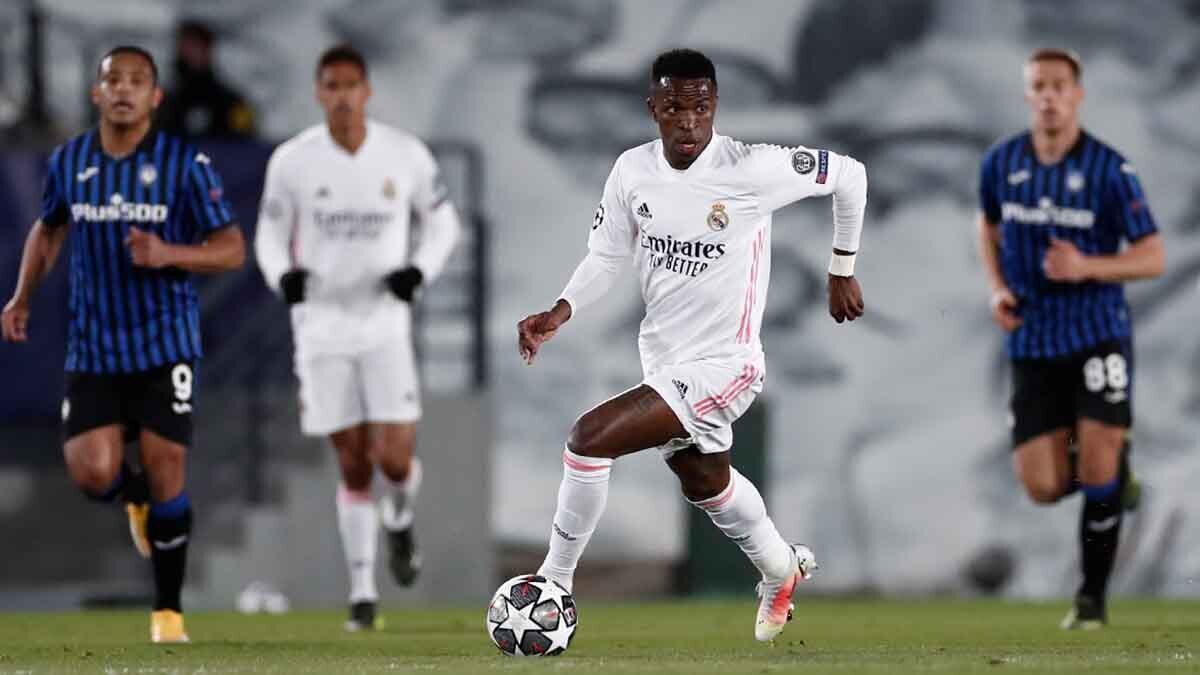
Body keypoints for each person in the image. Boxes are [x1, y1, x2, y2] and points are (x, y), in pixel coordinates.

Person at [516, 48, 867, 643]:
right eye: (675, 108)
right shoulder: (632, 171)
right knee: (705, 481)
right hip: (665, 360)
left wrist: (841, 268)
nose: (688, 121)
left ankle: (553, 584)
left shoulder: (753, 169)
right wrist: (561, 310)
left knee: (587, 439)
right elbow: (608, 255)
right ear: (654, 108)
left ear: (715, 107)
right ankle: (782, 570)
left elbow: (850, 175)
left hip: (726, 365)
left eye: (700, 107)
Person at [0, 46, 245, 642]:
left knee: (168, 472)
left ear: (155, 97)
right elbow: (49, 226)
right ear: (97, 92)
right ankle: (131, 497)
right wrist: (22, 295)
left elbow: (232, 247)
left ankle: (167, 612)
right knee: (91, 474)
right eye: (113, 79)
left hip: (166, 343)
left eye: (138, 81)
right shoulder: (71, 160)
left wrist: (170, 254)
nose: (124, 89)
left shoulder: (186, 165)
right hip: (95, 348)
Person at [254, 44, 461, 632]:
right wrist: (281, 276)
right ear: (319, 92)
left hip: (383, 325)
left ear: (367, 91)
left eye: (351, 85)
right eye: (331, 85)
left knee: (393, 457)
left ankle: (400, 520)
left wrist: (418, 270)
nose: (342, 96)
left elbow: (443, 222)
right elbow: (270, 233)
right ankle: (364, 595)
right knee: (350, 463)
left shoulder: (405, 154)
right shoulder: (293, 161)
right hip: (319, 328)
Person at [977, 48, 1165, 629]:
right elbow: (988, 224)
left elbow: (1153, 256)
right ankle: (1109, 464)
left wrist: (1087, 266)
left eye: (1060, 86)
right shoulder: (1002, 162)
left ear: (1078, 93)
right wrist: (997, 288)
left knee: (1101, 467)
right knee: (1042, 485)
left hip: (1097, 335)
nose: (1049, 96)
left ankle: (1091, 601)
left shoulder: (1111, 169)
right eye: (1039, 86)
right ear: (1028, 94)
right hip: (1033, 341)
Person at [157, 20, 256, 138]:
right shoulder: (163, 103)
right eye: (183, 47)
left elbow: (250, 145)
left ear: (208, 50)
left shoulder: (231, 102)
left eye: (194, 47)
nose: (188, 54)